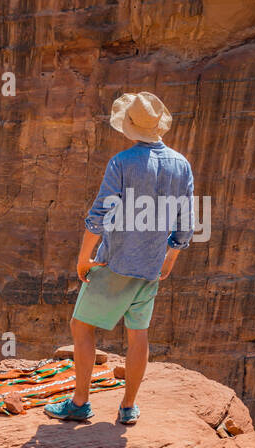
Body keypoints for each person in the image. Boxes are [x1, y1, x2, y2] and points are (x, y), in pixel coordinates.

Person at [45, 92, 193, 426]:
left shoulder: (123, 163)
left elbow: (99, 216)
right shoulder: (180, 164)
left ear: (129, 128)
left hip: (116, 263)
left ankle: (80, 403)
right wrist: (170, 257)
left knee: (81, 326)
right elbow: (186, 221)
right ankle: (128, 407)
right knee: (138, 333)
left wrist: (84, 259)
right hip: (151, 267)